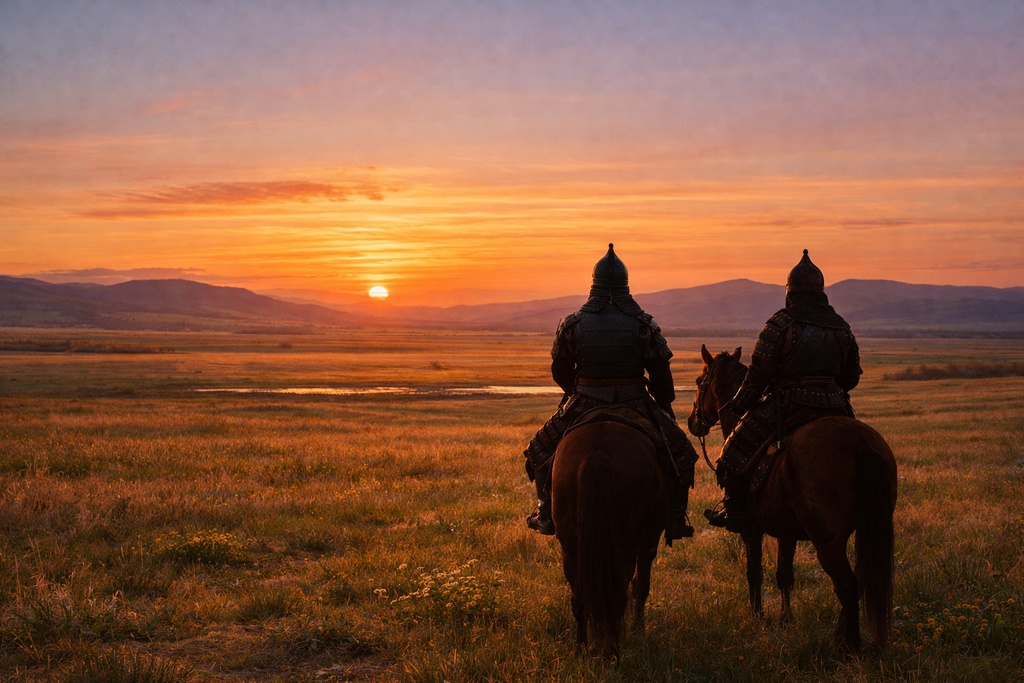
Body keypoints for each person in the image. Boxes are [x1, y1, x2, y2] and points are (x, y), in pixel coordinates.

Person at [523, 243, 698, 544]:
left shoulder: (573, 323)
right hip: (635, 401)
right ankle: (676, 516)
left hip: (585, 400)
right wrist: (664, 405)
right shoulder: (643, 323)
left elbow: (560, 369)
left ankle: (546, 511)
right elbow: (660, 374)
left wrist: (574, 391)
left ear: (594, 285)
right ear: (625, 285)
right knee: (682, 454)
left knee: (539, 452)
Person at [705, 249, 862, 532]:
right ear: (821, 292)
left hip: (790, 403)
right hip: (836, 405)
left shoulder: (780, 323)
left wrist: (738, 405)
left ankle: (734, 510)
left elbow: (758, 376)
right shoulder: (841, 327)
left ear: (790, 293)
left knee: (731, 453)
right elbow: (851, 377)